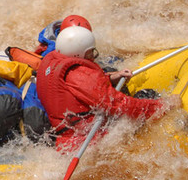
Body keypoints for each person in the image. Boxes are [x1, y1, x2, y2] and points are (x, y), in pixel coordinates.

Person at [35, 25, 180, 152]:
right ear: (79, 54)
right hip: (90, 141)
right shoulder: (78, 75)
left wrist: (111, 77)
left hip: (67, 140)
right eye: (90, 52)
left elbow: (75, 88)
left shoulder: (50, 62)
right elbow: (121, 105)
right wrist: (163, 105)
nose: (93, 56)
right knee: (146, 95)